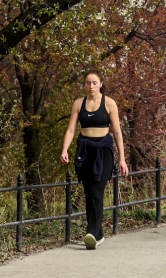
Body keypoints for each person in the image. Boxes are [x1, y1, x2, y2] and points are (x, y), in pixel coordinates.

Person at [61, 70, 129, 250]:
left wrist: (122, 159)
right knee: (89, 191)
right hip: (85, 150)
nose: (90, 86)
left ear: (100, 84)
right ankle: (97, 234)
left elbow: (117, 132)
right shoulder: (78, 103)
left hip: (103, 151)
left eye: (94, 83)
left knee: (97, 190)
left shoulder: (109, 103)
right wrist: (65, 149)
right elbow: (71, 130)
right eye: (87, 83)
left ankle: (92, 231)